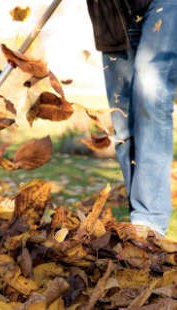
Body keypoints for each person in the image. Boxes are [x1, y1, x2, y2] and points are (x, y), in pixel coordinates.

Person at [87, 0, 177, 239]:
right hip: (110, 14)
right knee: (122, 120)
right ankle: (139, 220)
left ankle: (150, 222)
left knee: (151, 94)